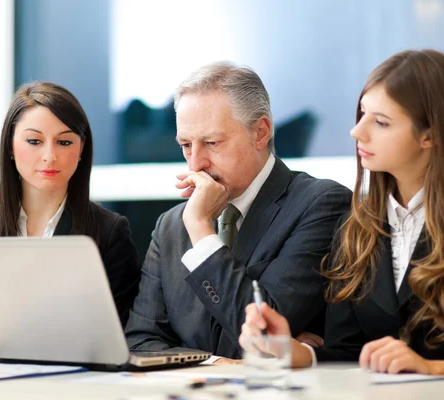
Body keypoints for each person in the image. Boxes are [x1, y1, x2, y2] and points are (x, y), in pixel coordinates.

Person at [240, 49, 444, 378]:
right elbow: (351, 353)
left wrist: (432, 368)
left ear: (431, 134)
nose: (358, 131)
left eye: (381, 122)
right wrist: (291, 349)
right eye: (363, 114)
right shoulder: (355, 227)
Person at [125, 62, 352, 361]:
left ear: (260, 132)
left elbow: (264, 335)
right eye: (185, 145)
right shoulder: (171, 225)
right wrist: (220, 362)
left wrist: (201, 231)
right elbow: (140, 345)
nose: (195, 164)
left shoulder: (322, 203)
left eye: (211, 142)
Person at [0, 82, 141, 357]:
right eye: (34, 141)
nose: (49, 156)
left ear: (81, 150)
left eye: (65, 142)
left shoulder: (109, 230)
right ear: (10, 146)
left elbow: (127, 334)